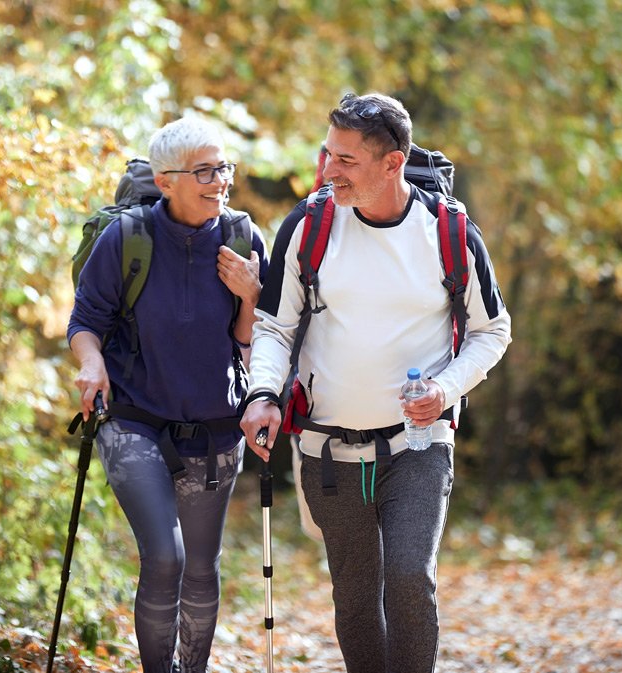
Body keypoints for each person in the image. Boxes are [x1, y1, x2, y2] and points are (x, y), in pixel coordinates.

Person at [240, 92, 512, 673]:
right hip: (328, 449)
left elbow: (493, 331)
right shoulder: (308, 227)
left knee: (411, 577)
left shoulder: (449, 232)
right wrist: (263, 393)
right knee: (357, 597)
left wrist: (446, 390)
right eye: (328, 154)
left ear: (393, 163)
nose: (328, 171)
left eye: (346, 160)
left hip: (418, 444)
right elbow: (273, 326)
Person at [67, 116, 267, 673]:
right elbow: (85, 320)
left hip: (215, 426)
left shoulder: (244, 239)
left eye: (224, 167)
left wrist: (251, 297)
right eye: (205, 171)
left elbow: (261, 343)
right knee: (165, 557)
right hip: (134, 421)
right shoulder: (126, 240)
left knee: (202, 566)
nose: (220, 181)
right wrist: (91, 365)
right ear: (166, 181)